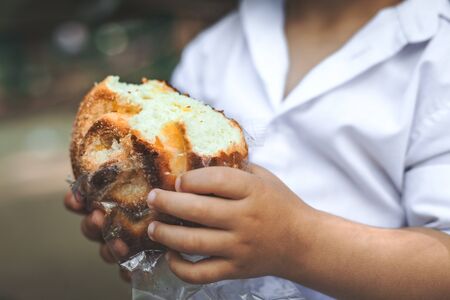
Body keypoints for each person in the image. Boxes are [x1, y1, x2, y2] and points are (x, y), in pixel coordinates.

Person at [65, 0, 450, 298]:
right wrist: (145, 237)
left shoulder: (438, 53)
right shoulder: (214, 49)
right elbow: (171, 189)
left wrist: (299, 243)